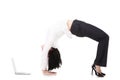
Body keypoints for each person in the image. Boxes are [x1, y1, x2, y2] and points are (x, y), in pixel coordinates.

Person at [41, 19, 109, 77]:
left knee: (103, 38)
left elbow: (45, 52)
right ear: (50, 51)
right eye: (47, 54)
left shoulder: (52, 42)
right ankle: (97, 65)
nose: (42, 49)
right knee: (104, 37)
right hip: (77, 27)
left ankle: (97, 64)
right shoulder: (50, 41)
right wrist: (44, 70)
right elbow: (45, 53)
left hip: (76, 24)